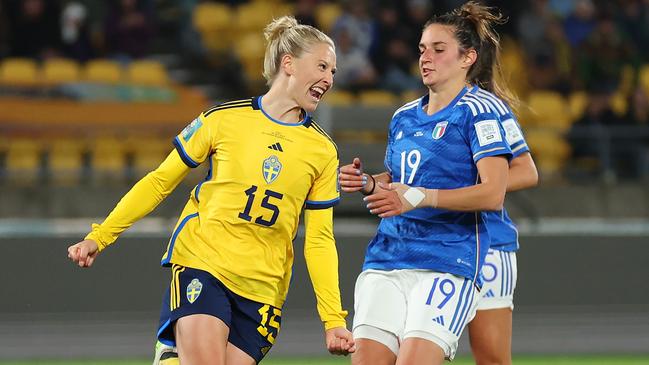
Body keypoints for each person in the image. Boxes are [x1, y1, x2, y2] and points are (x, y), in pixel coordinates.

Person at [67, 15, 355, 365]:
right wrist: (101, 236)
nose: (328, 79)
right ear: (289, 64)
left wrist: (333, 320)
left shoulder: (322, 151)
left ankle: (170, 357)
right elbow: (161, 181)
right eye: (322, 66)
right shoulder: (222, 120)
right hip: (204, 263)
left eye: (333, 72)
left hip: (264, 289)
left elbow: (320, 239)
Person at [339, 2, 513, 364]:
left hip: (447, 261)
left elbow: (493, 193)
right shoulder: (403, 116)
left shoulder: (479, 111)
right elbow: (401, 181)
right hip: (387, 259)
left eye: (438, 49)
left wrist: (420, 197)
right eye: (422, 50)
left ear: (467, 58)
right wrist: (370, 183)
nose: (425, 58)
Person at [465, 87, 538, 365]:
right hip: (429, 243)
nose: (426, 59)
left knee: (491, 358)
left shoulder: (490, 108)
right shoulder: (417, 111)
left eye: (439, 49)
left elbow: (526, 171)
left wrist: (464, 193)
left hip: (488, 243)